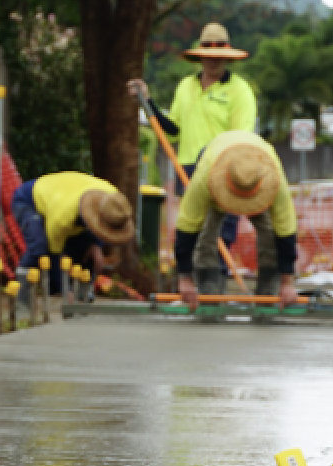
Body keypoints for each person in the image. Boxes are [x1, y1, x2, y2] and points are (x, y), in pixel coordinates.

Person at [127, 22, 257, 290]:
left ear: (226, 57)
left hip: (224, 168)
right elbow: (172, 129)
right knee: (191, 231)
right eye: (207, 55)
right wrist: (148, 102)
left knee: (221, 234)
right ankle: (189, 289)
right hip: (187, 169)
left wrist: (218, 162)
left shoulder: (239, 90)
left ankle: (214, 292)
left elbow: (240, 137)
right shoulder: (186, 86)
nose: (212, 61)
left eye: (218, 56)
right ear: (200, 56)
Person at [173, 131, 299, 311]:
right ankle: (209, 293)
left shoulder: (274, 179)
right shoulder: (205, 176)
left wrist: (287, 282)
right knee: (206, 237)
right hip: (216, 159)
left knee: (270, 235)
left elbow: (285, 230)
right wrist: (184, 277)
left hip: (257, 169)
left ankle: (268, 294)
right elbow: (187, 226)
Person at [11, 172, 135, 300]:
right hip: (30, 201)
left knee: (89, 252)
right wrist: (64, 289)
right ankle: (22, 299)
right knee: (39, 247)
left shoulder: (115, 202)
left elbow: (100, 229)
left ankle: (82, 293)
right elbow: (54, 255)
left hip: (65, 200)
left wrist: (95, 244)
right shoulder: (63, 218)